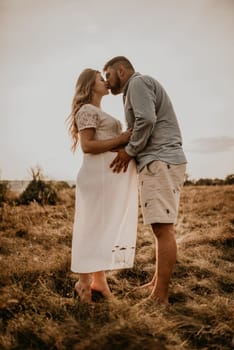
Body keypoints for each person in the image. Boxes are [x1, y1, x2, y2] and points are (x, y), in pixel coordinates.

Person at [103, 56, 187, 306]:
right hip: (160, 160)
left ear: (121, 70)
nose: (107, 83)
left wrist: (129, 151)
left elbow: (147, 120)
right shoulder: (135, 88)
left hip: (160, 160)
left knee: (163, 229)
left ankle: (160, 296)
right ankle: (156, 282)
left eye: (108, 75)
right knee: (159, 228)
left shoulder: (137, 83)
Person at [67, 68, 138, 303]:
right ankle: (83, 283)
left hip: (108, 179)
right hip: (96, 178)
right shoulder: (87, 110)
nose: (106, 81)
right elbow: (87, 146)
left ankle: (100, 281)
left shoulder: (99, 111)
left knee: (103, 229)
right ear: (89, 85)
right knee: (93, 229)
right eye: (100, 78)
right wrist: (122, 139)